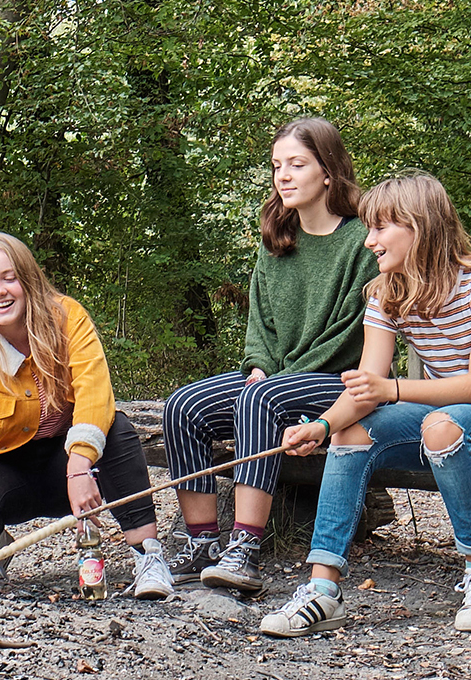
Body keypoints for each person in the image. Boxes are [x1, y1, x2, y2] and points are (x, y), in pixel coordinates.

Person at [259, 171, 471, 637]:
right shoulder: (385, 291)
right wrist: (320, 425)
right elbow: (368, 386)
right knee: (350, 431)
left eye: (380, 228)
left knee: (441, 426)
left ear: (419, 227)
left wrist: (392, 391)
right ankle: (322, 590)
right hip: (447, 413)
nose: (369, 241)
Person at [160, 118, 380, 592]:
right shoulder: (277, 238)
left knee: (258, 401)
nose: (283, 175)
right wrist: (259, 366)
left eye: (297, 164)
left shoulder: (361, 242)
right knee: (184, 405)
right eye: (277, 165)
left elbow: (350, 333)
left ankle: (245, 548)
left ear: (328, 172)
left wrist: (275, 380)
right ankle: (202, 541)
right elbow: (259, 322)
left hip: (336, 382)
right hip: (277, 377)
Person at [0, 231, 176, 599]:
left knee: (118, 429)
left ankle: (148, 556)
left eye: (8, 278)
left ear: (27, 277)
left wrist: (79, 466)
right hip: (11, 474)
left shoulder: (67, 316)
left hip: (72, 464)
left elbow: (96, 392)